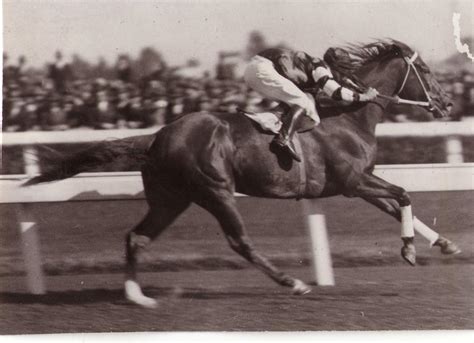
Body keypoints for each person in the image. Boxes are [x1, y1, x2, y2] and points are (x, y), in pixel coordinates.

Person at [244, 47, 378, 162]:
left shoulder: (314, 68)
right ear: (337, 66)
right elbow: (335, 92)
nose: (343, 74)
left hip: (254, 69)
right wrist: (364, 97)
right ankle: (283, 139)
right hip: (262, 68)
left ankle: (265, 118)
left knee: (304, 102)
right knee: (302, 101)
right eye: (343, 69)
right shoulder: (321, 68)